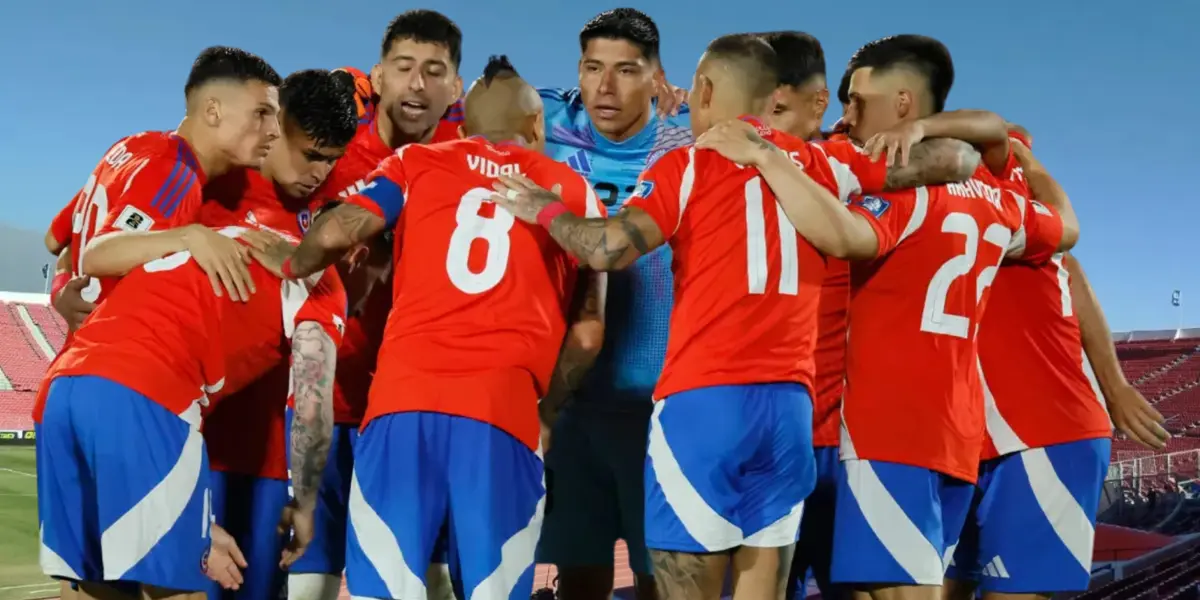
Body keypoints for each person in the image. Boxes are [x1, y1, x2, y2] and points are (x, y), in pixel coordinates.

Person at [494, 33, 911, 600]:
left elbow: (607, 248)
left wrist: (545, 210)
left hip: (704, 403)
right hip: (790, 405)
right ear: (773, 97)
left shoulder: (687, 165)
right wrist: (917, 132)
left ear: (707, 90)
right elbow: (948, 160)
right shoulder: (826, 164)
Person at [707, 34, 1077, 600]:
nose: (846, 113)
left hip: (865, 429)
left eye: (857, 100)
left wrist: (767, 157)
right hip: (942, 431)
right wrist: (1029, 164)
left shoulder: (886, 188)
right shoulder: (994, 196)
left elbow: (844, 236)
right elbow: (1061, 224)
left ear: (901, 104)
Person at [253, 55, 606, 600]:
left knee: (382, 588)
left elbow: (335, 232)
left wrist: (292, 263)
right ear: (537, 126)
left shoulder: (417, 161)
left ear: (462, 130)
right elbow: (588, 332)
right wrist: (548, 409)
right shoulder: (574, 192)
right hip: (502, 409)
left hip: (402, 402)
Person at [36, 220, 347, 600]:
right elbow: (312, 405)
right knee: (177, 587)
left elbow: (94, 255)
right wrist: (306, 503)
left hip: (63, 388)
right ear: (356, 254)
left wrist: (195, 526)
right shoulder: (321, 276)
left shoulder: (226, 236)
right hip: (147, 391)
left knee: (93, 582)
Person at [284, 13, 469, 600]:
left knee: (430, 578)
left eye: (434, 71)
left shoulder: (468, 152)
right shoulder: (333, 139)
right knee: (308, 580)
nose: (417, 84)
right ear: (378, 76)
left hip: (417, 406)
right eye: (404, 68)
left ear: (455, 87)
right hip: (325, 397)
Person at [943, 130, 1169, 600]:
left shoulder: (1010, 220)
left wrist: (1115, 386)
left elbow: (1071, 259)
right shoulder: (1022, 232)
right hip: (970, 439)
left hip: (1042, 434)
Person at [534, 9, 689, 599]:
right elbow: (456, 105)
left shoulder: (691, 138)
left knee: (661, 576)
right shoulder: (547, 122)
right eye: (592, 68)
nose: (605, 87)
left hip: (661, 402)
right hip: (570, 400)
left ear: (657, 78)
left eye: (626, 71)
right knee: (578, 574)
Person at [194, 68, 359, 600]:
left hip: (247, 461)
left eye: (331, 159)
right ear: (273, 121)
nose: (320, 172)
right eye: (310, 154)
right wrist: (66, 287)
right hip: (182, 441)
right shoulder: (201, 180)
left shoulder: (309, 253)